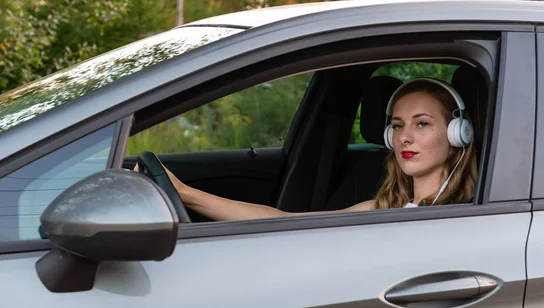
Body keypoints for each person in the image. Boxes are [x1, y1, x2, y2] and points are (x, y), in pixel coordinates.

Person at [135, 77, 478, 221]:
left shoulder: (473, 215)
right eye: (398, 125)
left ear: (456, 134)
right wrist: (184, 193)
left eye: (422, 123)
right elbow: (282, 222)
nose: (404, 137)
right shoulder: (381, 208)